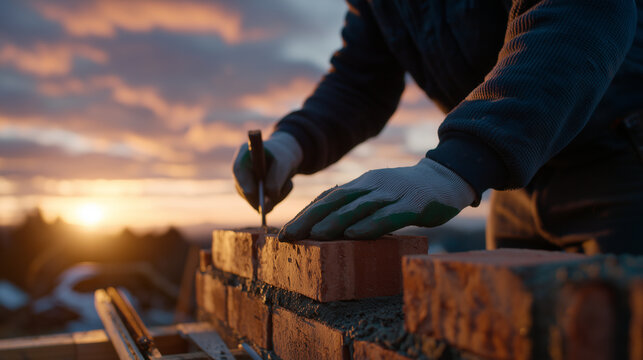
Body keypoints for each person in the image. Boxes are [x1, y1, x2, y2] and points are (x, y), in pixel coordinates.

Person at [234, 0, 643, 254]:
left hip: (620, 159)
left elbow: (584, 11)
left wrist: (460, 163)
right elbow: (362, 79)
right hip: (514, 177)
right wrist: (293, 142)